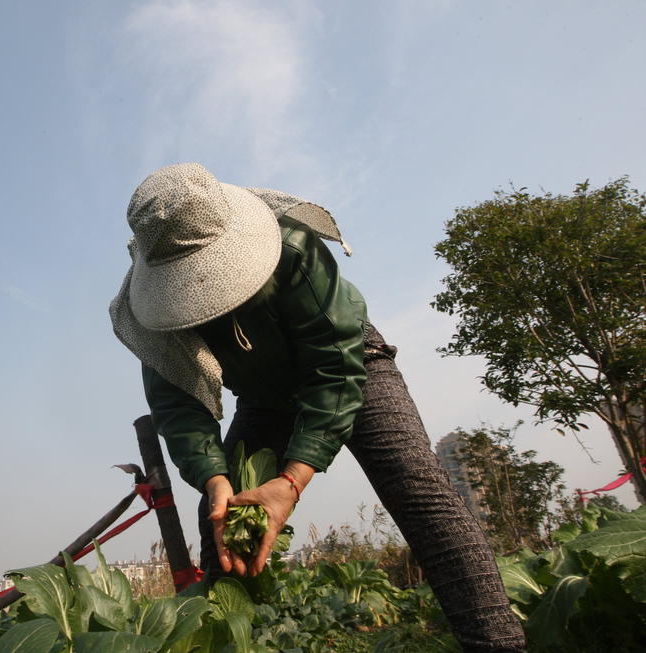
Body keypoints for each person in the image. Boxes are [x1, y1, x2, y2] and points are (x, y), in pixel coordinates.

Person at [110, 163, 526, 652]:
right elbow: (179, 407)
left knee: (420, 492)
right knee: (220, 520)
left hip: (351, 366)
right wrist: (215, 478)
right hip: (264, 399)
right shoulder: (152, 316)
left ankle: (497, 644)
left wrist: (291, 481)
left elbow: (333, 362)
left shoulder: (291, 246)